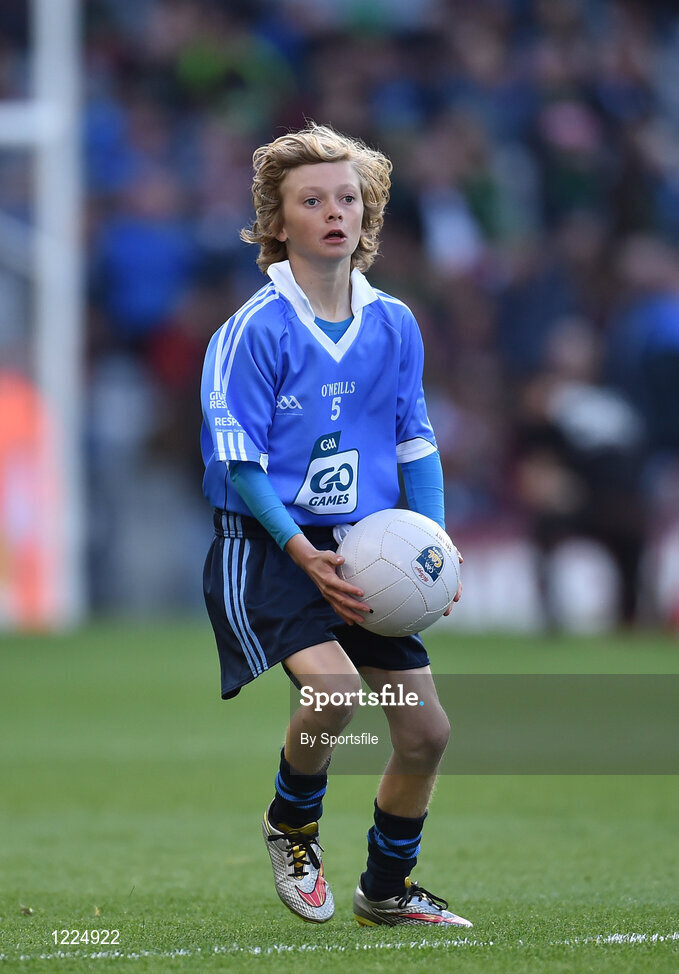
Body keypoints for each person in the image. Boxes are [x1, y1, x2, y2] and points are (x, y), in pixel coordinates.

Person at [200, 123, 471, 928]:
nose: (333, 212)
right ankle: (291, 829)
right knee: (332, 688)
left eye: (346, 198)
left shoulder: (393, 323)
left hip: (367, 550)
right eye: (311, 200)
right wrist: (298, 551)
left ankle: (384, 890)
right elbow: (240, 462)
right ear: (276, 222)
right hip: (269, 547)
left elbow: (413, 439)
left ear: (367, 213)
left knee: (425, 734)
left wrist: (436, 549)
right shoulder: (254, 328)